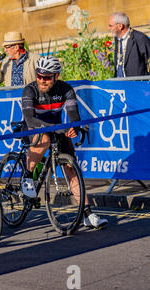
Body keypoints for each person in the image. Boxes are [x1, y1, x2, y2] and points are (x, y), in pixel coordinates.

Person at [20, 55, 108, 229]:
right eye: (39, 76)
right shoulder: (30, 90)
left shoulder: (66, 89)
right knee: (43, 139)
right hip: (34, 128)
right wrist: (58, 128)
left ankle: (87, 214)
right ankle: (28, 175)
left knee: (71, 168)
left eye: (46, 77)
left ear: (56, 76)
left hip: (57, 129)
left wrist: (74, 127)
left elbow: (74, 115)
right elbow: (30, 119)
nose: (42, 80)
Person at [108, 12, 150, 78]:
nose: (109, 29)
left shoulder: (139, 38)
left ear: (120, 26)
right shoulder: (117, 39)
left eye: (111, 26)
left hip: (137, 84)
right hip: (120, 84)